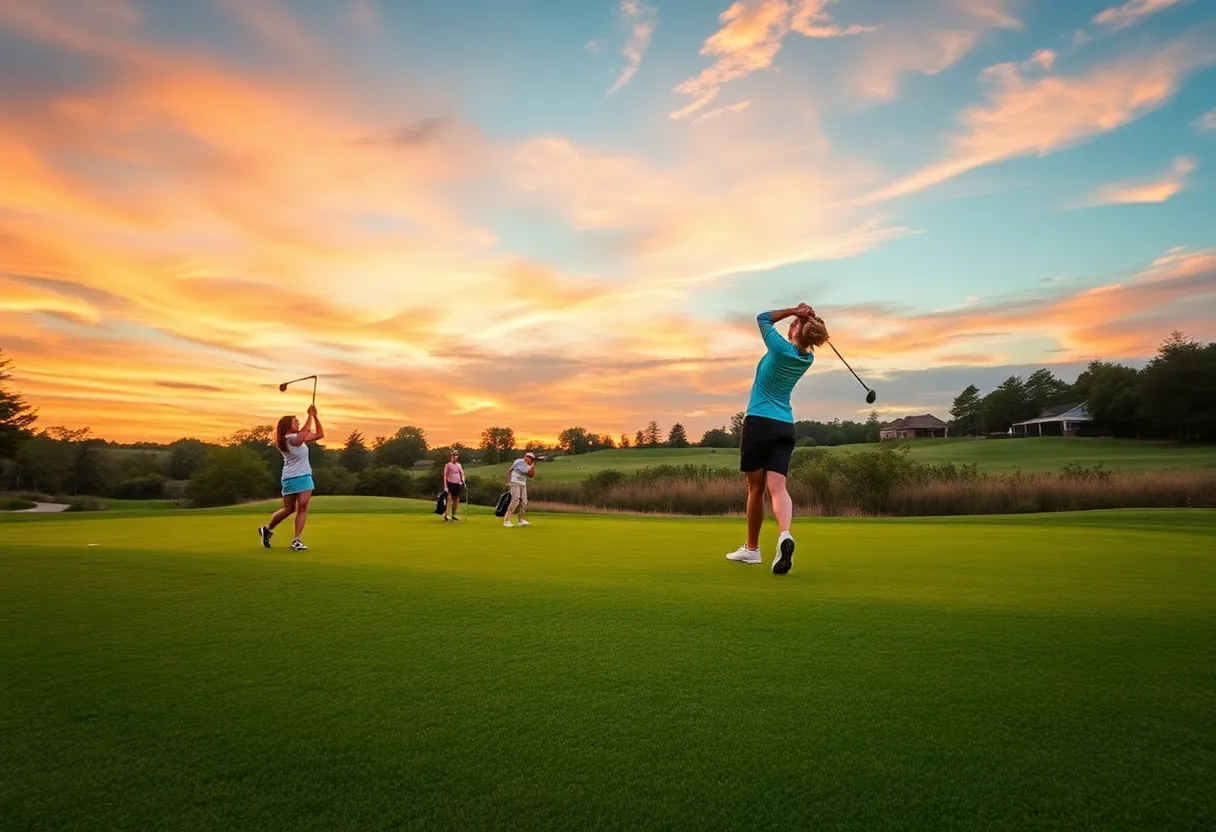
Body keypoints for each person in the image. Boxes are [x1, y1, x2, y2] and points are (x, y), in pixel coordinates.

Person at [726, 304, 828, 574]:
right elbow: (798, 338)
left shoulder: (780, 349)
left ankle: (752, 549)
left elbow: (762, 318)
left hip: (759, 422)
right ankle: (784, 534)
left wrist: (795, 310)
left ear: (795, 329)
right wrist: (805, 320)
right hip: (785, 426)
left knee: (756, 490)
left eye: (793, 325)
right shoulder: (807, 359)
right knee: (778, 489)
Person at [258, 404, 324, 551]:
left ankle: (281, 534)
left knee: (297, 507)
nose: (298, 423)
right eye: (295, 421)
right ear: (288, 425)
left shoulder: (294, 437)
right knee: (294, 508)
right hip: (295, 477)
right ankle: (282, 534)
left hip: (297, 476)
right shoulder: (290, 438)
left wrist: (315, 417)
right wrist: (310, 416)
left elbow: (319, 435)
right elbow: (304, 433)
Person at [503, 451, 535, 527]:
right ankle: (506, 520)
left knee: (524, 501)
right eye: (527, 457)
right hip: (514, 481)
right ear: (525, 456)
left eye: (531, 458)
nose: (528, 459)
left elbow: (531, 475)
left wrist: (533, 466)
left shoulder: (532, 465)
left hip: (522, 484)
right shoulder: (519, 461)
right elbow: (510, 470)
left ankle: (521, 520)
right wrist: (508, 482)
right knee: (515, 499)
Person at [442, 449, 466, 522]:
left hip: (457, 484)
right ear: (451, 456)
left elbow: (462, 473)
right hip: (450, 483)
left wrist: (463, 481)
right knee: (449, 500)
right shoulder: (448, 465)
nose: (455, 456)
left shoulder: (459, 465)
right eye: (453, 455)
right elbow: (445, 476)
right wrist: (445, 486)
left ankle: (453, 515)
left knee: (457, 500)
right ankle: (446, 515)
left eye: (456, 455)